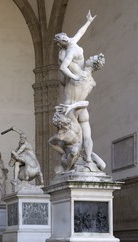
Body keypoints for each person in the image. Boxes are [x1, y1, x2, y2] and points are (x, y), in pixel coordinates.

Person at [55, 10, 103, 169]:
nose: (64, 38)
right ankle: (87, 160)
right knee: (82, 136)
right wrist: (88, 21)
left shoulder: (71, 49)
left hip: (72, 106)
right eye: (62, 38)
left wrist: (73, 77)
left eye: (62, 37)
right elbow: (63, 67)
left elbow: (63, 67)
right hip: (80, 105)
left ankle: (80, 160)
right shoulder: (90, 81)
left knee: (68, 138)